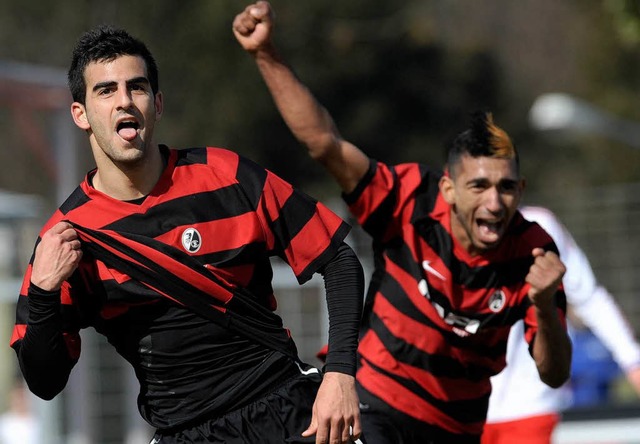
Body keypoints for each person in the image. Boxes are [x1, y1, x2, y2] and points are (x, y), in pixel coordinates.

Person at [9, 24, 367, 444]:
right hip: (186, 433)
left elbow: (338, 258)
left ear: (157, 104)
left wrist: (340, 373)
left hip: (286, 408)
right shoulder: (67, 236)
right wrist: (46, 291)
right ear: (80, 114)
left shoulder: (227, 175)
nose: (125, 101)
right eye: (106, 91)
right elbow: (44, 381)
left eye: (136, 87)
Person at [233, 2, 572, 443]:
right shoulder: (409, 198)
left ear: (521, 191)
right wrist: (266, 53)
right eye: (479, 187)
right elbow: (324, 145)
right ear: (449, 189)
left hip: (456, 428)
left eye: (506, 188)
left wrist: (544, 306)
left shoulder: (534, 253)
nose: (494, 202)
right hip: (374, 401)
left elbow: (554, 373)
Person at [483, 205, 640, 444]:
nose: (493, 198)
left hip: (528, 408)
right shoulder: (434, 232)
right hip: (454, 406)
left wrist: (633, 361)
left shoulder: (538, 227)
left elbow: (589, 298)